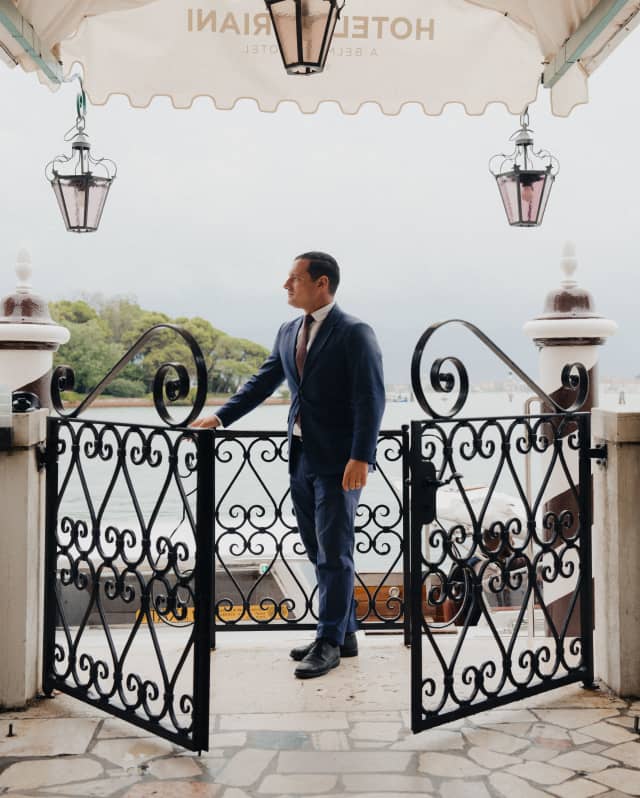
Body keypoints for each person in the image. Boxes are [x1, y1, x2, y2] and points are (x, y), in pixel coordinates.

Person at [191, 251, 385, 679]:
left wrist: (361, 456)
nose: (286, 284)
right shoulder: (288, 331)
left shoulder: (355, 332)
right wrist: (220, 417)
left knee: (334, 552)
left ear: (322, 283)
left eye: (294, 278)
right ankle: (344, 633)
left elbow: (371, 397)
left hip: (340, 462)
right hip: (300, 456)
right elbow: (263, 381)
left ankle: (329, 642)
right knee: (317, 550)